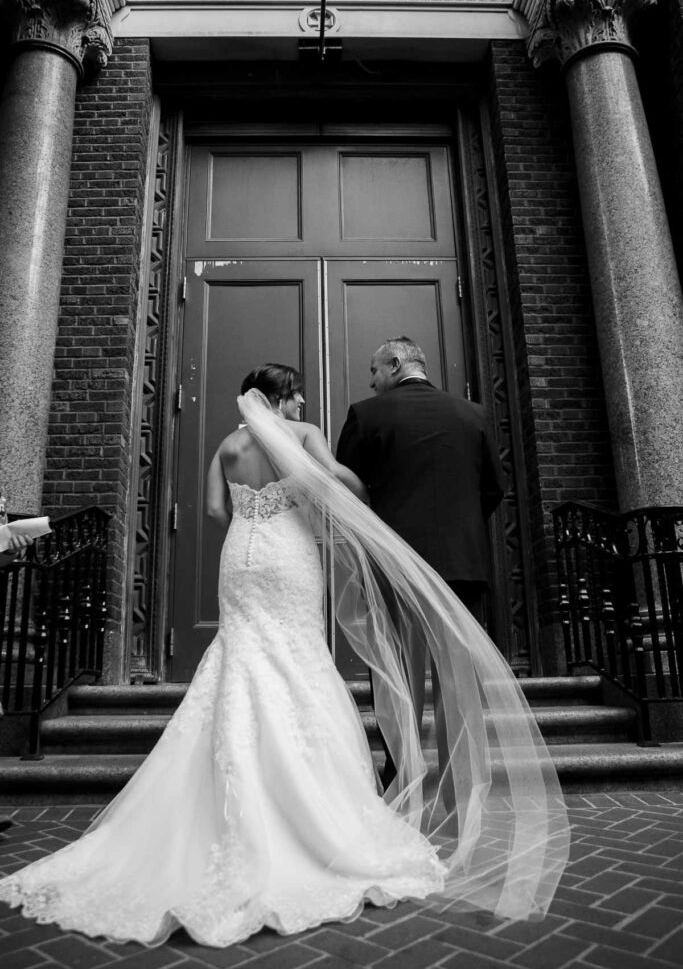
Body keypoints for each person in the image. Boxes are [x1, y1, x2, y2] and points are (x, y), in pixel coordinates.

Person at [0, 363, 569, 947]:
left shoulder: (228, 443)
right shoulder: (303, 435)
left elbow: (217, 511)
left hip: (242, 557)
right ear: (282, 397)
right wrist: (354, 498)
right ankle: (309, 801)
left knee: (240, 654)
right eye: (296, 396)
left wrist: (259, 510)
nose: (301, 404)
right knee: (296, 658)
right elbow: (339, 480)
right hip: (289, 555)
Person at [336, 337, 505, 782]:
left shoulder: (366, 415)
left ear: (395, 364)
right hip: (461, 567)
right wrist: (456, 533)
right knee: (456, 677)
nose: (372, 383)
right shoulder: (473, 414)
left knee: (396, 672)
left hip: (394, 567)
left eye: (375, 371)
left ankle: (401, 774)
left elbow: (345, 492)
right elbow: (493, 489)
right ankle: (462, 779)